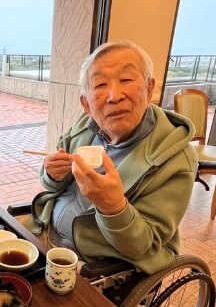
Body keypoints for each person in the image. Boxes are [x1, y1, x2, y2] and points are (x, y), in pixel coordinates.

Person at [30, 40, 197, 275]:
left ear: (149, 89)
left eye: (127, 80)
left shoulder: (175, 159)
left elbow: (143, 247)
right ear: (86, 104)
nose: (114, 96)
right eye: (100, 84)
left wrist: (113, 207)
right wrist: (51, 174)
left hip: (92, 265)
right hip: (47, 234)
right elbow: (50, 181)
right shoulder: (84, 126)